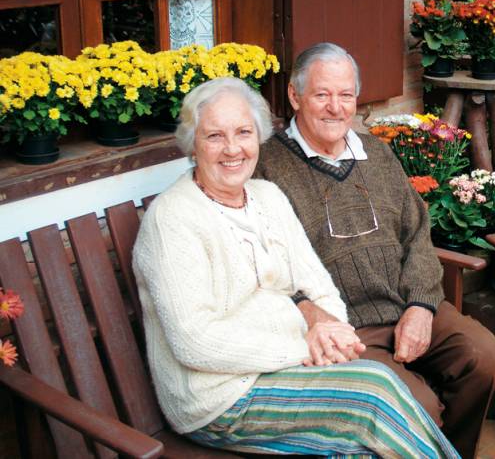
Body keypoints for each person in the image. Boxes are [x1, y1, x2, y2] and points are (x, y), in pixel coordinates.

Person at [132, 76, 459, 458]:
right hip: (219, 399)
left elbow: (320, 286)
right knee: (374, 393)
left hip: (287, 368)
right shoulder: (173, 218)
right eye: (215, 136)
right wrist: (302, 346)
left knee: (367, 441)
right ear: (192, 145)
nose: (233, 148)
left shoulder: (266, 196)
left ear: (258, 138)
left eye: (243, 132)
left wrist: (331, 333)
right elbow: (194, 341)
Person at [255, 43, 495, 459]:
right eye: (322, 94)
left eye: (345, 95)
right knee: (417, 408)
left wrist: (421, 306)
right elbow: (266, 264)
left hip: (405, 304)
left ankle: (453, 452)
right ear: (295, 97)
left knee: (485, 358)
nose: (335, 107)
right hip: (344, 329)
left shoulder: (377, 152)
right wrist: (312, 315)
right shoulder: (267, 167)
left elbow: (417, 233)